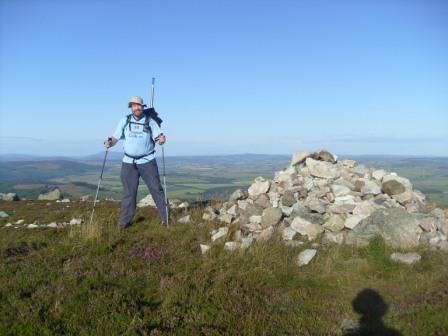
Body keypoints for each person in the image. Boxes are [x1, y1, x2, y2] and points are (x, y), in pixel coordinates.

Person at [104, 96, 169, 228]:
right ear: (131, 107)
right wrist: (110, 143)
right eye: (134, 106)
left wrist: (161, 139)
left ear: (143, 107)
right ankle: (124, 223)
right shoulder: (125, 120)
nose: (136, 108)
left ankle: (166, 218)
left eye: (139, 105)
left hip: (147, 160)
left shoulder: (150, 121)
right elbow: (116, 137)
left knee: (156, 189)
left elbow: (158, 137)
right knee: (129, 192)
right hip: (128, 162)